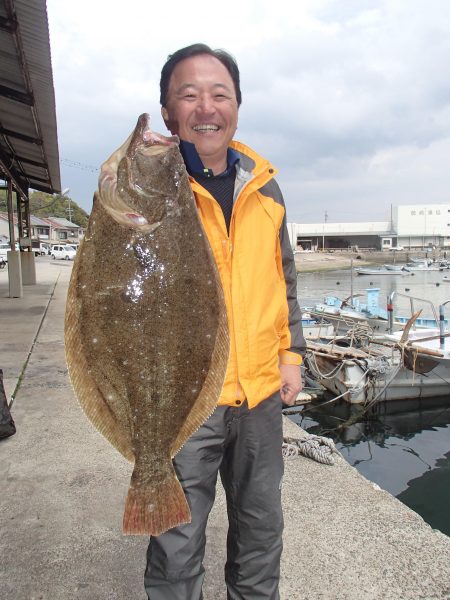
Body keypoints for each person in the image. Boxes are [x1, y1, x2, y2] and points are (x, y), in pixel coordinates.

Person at [144, 43, 306, 600]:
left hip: (259, 395)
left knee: (262, 530)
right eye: (188, 94)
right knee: (175, 537)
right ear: (168, 110)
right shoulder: (149, 190)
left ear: (237, 105)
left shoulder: (266, 186)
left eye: (220, 94)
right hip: (186, 397)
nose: (205, 107)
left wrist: (291, 356)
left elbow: (282, 279)